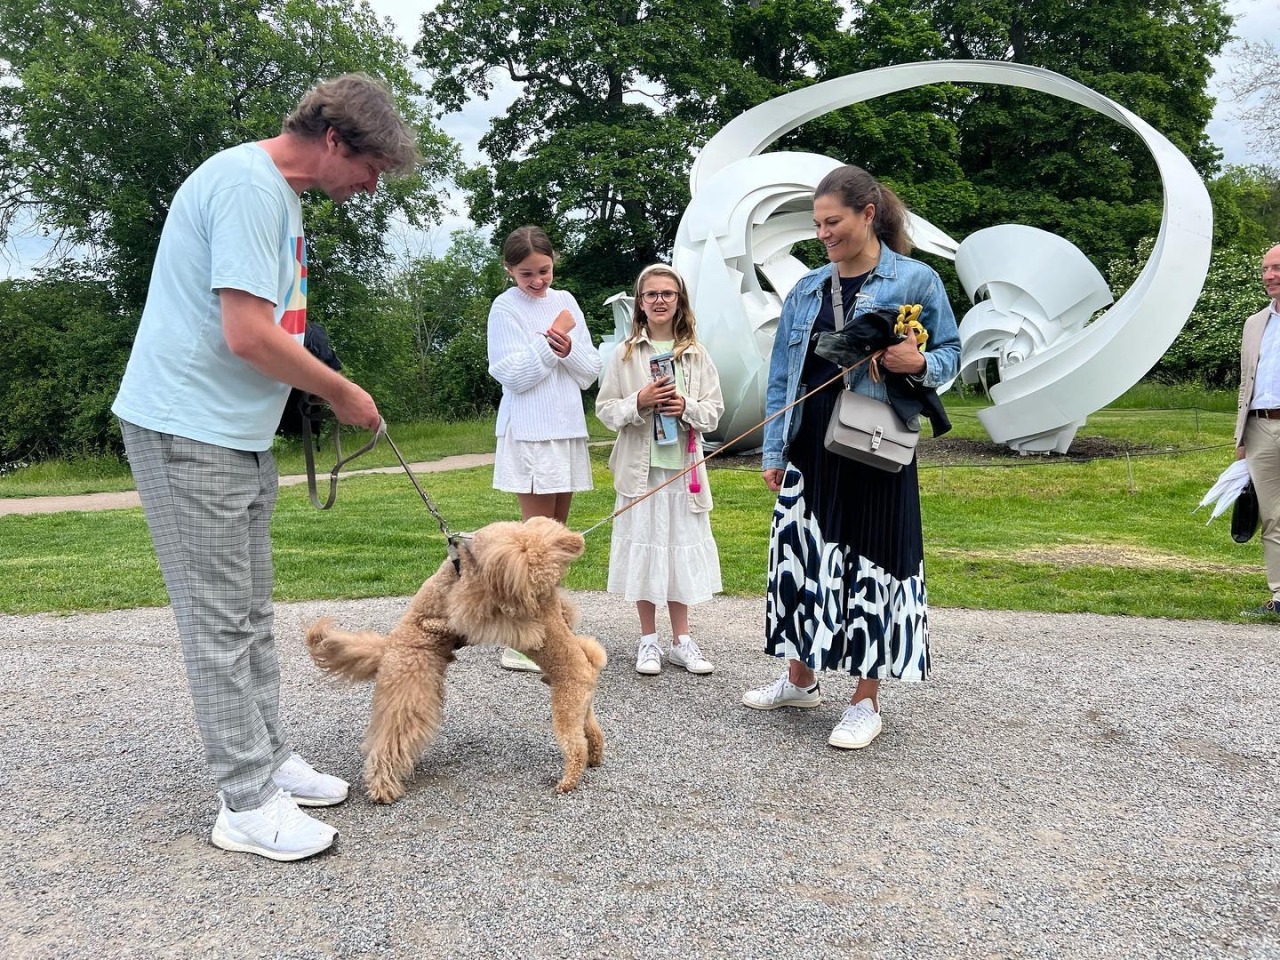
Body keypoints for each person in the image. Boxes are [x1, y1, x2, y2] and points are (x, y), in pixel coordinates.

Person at [111, 73, 419, 861]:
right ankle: (245, 802)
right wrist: (343, 391)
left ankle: (272, 759)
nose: (372, 185)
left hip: (234, 432)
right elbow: (246, 334)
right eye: (373, 167)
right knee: (218, 625)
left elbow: (269, 328)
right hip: (188, 429)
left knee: (249, 614)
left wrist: (309, 359)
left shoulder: (275, 198)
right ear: (333, 141)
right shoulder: (249, 187)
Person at [741, 164, 960, 750]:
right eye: (817, 224)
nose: (824, 234)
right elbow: (783, 374)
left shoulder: (916, 280)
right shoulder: (807, 288)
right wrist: (772, 448)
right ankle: (800, 679)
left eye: (832, 221)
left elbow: (952, 353)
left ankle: (865, 699)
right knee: (800, 556)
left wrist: (922, 365)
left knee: (874, 560)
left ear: (868, 214)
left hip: (878, 440)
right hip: (810, 441)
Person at [596, 264, 725, 675]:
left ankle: (682, 640)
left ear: (679, 301)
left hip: (682, 471)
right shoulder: (624, 353)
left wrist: (684, 405)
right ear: (640, 302)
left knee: (677, 551)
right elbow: (605, 410)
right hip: (640, 471)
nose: (659, 301)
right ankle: (648, 640)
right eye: (651, 294)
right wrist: (640, 400)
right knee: (647, 550)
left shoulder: (696, 354)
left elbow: (715, 412)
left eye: (667, 294)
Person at [487, 226, 602, 671]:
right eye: (527, 274)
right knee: (533, 545)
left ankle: (547, 629)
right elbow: (511, 375)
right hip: (530, 432)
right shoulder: (504, 307)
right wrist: (549, 345)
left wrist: (568, 347)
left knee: (556, 542)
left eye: (545, 271)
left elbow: (589, 370)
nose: (538, 282)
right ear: (509, 270)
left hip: (567, 427)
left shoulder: (567, 300)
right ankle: (521, 640)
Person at [1236, 243, 1280, 617]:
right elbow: (1245, 383)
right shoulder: (1254, 324)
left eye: (1277, 268)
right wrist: (1241, 437)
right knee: (1272, 515)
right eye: (1266, 269)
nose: (1269, 276)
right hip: (1261, 428)